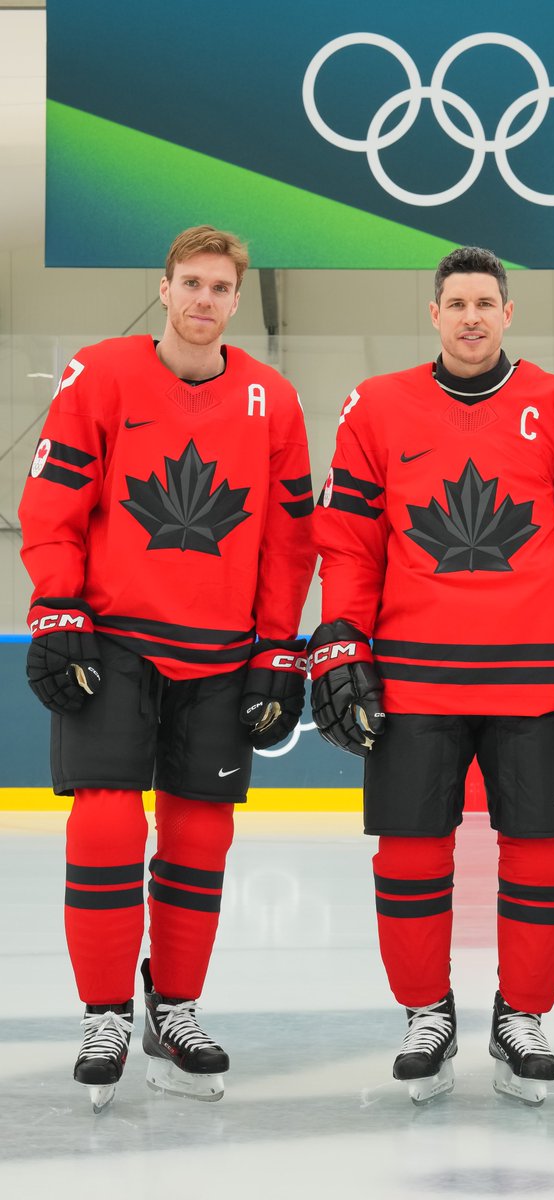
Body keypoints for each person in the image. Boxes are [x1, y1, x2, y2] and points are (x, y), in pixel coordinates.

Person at [310, 246, 554, 1105]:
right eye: (455, 302)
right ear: (433, 314)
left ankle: (520, 1017)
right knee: (411, 857)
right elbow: (349, 543)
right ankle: (427, 1013)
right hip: (414, 681)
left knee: (540, 858)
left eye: (485, 302)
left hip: (536, 682)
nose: (470, 317)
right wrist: (341, 634)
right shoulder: (377, 407)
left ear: (508, 313)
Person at [19, 225, 315, 1111]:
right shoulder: (101, 373)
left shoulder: (274, 400)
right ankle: (106, 1011)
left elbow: (291, 540)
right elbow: (54, 497)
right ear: (163, 288)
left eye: (221, 288)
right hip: (113, 639)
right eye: (190, 283)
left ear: (235, 300)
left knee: (200, 839)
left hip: (223, 654)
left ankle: (174, 1007)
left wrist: (278, 644)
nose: (203, 300)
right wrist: (56, 604)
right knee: (106, 826)